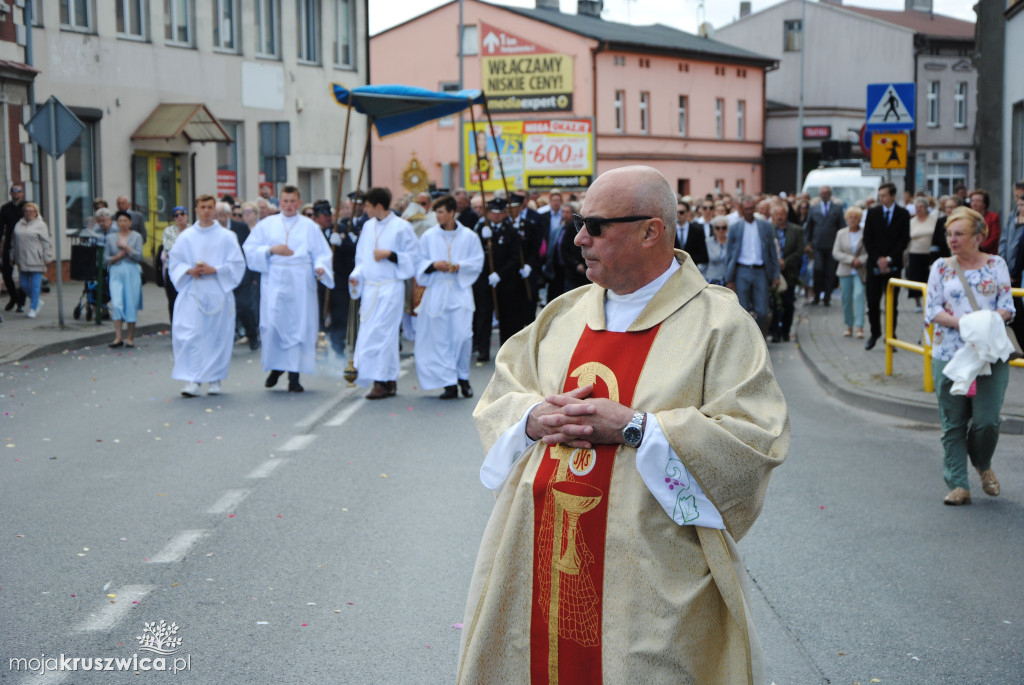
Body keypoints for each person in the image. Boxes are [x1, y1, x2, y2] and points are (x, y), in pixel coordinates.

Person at [457, 166, 789, 684]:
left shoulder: (719, 325)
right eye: (578, 223)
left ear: (651, 231)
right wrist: (532, 418)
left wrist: (638, 428)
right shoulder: (562, 316)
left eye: (595, 226)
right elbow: (503, 393)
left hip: (650, 576)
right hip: (539, 559)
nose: (579, 239)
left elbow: (752, 437)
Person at [924, 207, 1015, 506]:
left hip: (989, 353)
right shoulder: (941, 267)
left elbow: (1007, 306)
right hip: (949, 353)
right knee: (953, 422)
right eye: (949, 234)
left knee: (987, 422)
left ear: (978, 237)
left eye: (959, 234)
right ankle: (958, 485)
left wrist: (984, 324)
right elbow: (932, 309)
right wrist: (963, 324)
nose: (952, 239)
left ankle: (982, 463)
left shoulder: (997, 264)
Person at [243, 185, 335, 393]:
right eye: (285, 201)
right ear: (280, 202)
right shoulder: (267, 225)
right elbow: (250, 249)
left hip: (300, 281)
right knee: (273, 325)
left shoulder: (310, 227)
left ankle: (294, 376)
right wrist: (271, 249)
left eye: (293, 201)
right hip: (275, 280)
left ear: (299, 203)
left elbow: (322, 253)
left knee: (298, 327)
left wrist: (320, 267)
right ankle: (276, 367)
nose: (289, 205)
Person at [168, 195, 246, 397]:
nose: (206, 211)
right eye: (202, 207)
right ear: (196, 209)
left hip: (217, 291)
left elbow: (237, 264)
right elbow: (175, 262)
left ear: (214, 210)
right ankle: (192, 380)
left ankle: (214, 379)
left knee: (216, 336)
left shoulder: (226, 236)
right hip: (192, 291)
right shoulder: (186, 237)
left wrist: (216, 269)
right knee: (192, 334)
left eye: (210, 207)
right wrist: (188, 270)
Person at [348, 186, 417, 399]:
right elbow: (361, 258)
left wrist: (391, 254)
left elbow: (413, 257)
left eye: (368, 206)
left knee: (384, 334)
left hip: (390, 288)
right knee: (369, 333)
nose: (365, 210)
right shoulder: (368, 226)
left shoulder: (401, 227)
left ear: (378, 206)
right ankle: (387, 380)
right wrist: (356, 275)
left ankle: (380, 381)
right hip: (370, 289)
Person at [413, 194, 484, 399]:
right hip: (437, 291)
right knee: (440, 340)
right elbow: (419, 262)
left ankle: (463, 376)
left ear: (452, 212)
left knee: (462, 336)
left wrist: (460, 266)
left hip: (459, 291)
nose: (437, 216)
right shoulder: (429, 236)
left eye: (441, 212)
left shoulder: (469, 236)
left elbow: (477, 261)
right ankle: (449, 383)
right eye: (436, 212)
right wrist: (434, 265)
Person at [472, 197, 523, 359]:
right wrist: (482, 238)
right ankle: (483, 349)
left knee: (507, 316)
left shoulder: (511, 230)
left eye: (499, 213)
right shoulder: (481, 228)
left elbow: (515, 257)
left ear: (504, 213)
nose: (496, 216)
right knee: (484, 314)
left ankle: (506, 351)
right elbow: (474, 254)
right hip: (485, 279)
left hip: (505, 280)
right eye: (493, 213)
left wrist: (500, 274)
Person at [862, 182, 910, 350]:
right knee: (873, 301)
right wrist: (878, 259)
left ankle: (891, 336)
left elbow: (904, 239)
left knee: (892, 303)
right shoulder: (873, 212)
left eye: (884, 195)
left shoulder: (903, 214)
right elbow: (867, 239)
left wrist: (889, 259)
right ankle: (875, 333)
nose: (881, 198)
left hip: (893, 264)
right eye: (879, 195)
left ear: (892, 196)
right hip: (874, 264)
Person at [725, 195, 780, 334]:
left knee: (763, 311)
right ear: (741, 209)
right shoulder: (735, 227)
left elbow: (772, 252)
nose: (749, 211)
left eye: (751, 208)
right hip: (742, 270)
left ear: (755, 208)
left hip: (760, 270)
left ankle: (759, 336)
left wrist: (776, 274)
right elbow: (729, 253)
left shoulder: (765, 226)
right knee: (743, 310)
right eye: (746, 209)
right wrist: (729, 278)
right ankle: (747, 339)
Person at [216, 201, 260, 350]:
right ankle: (225, 340)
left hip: (242, 275)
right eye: (216, 216)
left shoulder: (240, 228)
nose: (219, 219)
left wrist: (253, 276)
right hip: (221, 275)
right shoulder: (212, 230)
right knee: (223, 309)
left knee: (244, 306)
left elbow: (249, 252)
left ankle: (252, 335)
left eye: (221, 215)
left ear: (228, 214)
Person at [104, 210, 144, 347]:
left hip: (132, 271)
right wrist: (117, 257)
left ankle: (130, 338)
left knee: (131, 304)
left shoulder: (136, 237)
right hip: (116, 271)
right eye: (120, 221)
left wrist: (127, 248)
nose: (122, 223)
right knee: (117, 303)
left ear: (130, 222)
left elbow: (139, 256)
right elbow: (105, 259)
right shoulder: (110, 237)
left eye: (125, 221)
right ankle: (118, 337)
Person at [803, 186, 846, 306]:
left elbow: (842, 226)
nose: (824, 195)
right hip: (817, 245)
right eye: (822, 193)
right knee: (818, 269)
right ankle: (816, 295)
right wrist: (807, 243)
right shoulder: (814, 208)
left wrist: (842, 244)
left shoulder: (837, 208)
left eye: (826, 193)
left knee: (830, 271)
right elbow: (809, 227)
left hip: (832, 245)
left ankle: (827, 296)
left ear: (830, 194)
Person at [770, 202, 804, 342]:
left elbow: (799, 250)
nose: (780, 217)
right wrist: (775, 262)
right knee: (774, 302)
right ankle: (775, 332)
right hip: (772, 272)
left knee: (788, 302)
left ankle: (785, 330)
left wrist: (785, 262)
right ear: (773, 216)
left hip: (789, 272)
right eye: (777, 214)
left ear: (786, 215)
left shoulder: (796, 230)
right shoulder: (768, 229)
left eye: (782, 214)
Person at [11, 202, 52, 318]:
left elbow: (46, 242)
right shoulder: (19, 224)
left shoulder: (41, 225)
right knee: (23, 284)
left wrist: (47, 256)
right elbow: (14, 242)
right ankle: (37, 301)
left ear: (36, 212)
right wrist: (11, 256)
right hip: (22, 259)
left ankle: (33, 308)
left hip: (36, 259)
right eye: (26, 211)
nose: (28, 213)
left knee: (35, 286)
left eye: (31, 211)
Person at [832, 206, 868, 339]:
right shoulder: (841, 233)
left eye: (856, 218)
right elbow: (836, 252)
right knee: (846, 298)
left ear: (860, 219)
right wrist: (851, 259)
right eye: (851, 217)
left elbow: (868, 252)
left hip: (860, 271)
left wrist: (860, 260)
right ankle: (849, 325)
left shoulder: (865, 233)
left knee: (859, 295)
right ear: (847, 219)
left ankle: (859, 326)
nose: (853, 220)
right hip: (845, 269)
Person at [907, 196, 936, 311]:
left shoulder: (933, 219)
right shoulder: (912, 221)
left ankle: (928, 302)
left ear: (926, 208)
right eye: (917, 207)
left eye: (921, 207)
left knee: (928, 278)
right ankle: (917, 303)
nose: (918, 209)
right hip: (915, 252)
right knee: (915, 278)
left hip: (929, 253)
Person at [161, 206, 190, 323]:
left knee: (189, 300)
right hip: (173, 270)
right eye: (176, 215)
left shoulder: (193, 229)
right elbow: (169, 249)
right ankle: (174, 326)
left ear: (186, 215)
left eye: (182, 214)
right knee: (173, 300)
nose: (179, 217)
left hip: (189, 271)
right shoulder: (169, 231)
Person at [2, 183, 26, 311]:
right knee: (6, 273)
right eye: (14, 190)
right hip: (9, 243)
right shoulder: (5, 209)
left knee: (24, 273)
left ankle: (21, 302)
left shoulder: (27, 207)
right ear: (11, 193)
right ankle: (14, 297)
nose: (16, 192)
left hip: (24, 243)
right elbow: (1, 228)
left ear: (22, 193)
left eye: (19, 190)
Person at [674, 200, 709, 267]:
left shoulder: (697, 230)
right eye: (676, 212)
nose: (678, 215)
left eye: (681, 212)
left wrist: (686, 260)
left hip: (692, 268)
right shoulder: (670, 230)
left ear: (688, 213)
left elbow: (703, 256)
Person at [968, 189, 1000, 254]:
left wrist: (981, 247)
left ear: (985, 204)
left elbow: (995, 237)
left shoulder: (993, 217)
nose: (974, 204)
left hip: (988, 252)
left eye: (978, 201)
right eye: (972, 201)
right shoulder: (967, 217)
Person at [702, 215, 730, 285]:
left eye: (724, 228)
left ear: (727, 229)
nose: (721, 230)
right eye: (718, 228)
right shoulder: (707, 242)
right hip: (711, 279)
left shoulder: (731, 242)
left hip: (728, 279)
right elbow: (703, 263)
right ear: (714, 229)